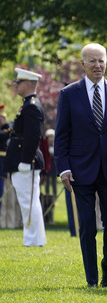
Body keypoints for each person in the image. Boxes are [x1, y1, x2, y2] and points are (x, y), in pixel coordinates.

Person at [54, 43, 107, 288]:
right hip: (81, 170)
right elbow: (62, 135)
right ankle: (91, 278)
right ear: (83, 64)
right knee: (88, 226)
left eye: (101, 60)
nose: (97, 65)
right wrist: (64, 167)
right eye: (92, 61)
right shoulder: (68, 94)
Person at [4, 68, 47, 247]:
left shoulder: (31, 106)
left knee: (28, 201)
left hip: (25, 161)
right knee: (28, 200)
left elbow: (33, 136)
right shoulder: (28, 104)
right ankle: (33, 239)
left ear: (28, 84)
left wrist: (25, 161)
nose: (17, 85)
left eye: (19, 82)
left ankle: (33, 241)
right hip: (22, 159)